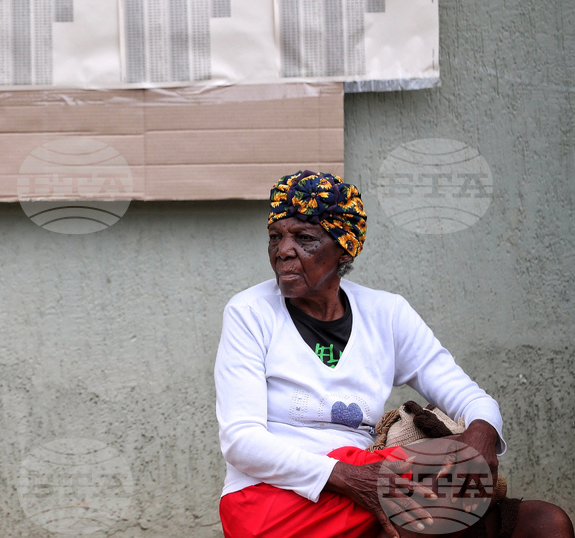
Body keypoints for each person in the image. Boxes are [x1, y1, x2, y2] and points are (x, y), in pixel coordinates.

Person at [215, 170, 573, 538]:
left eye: (304, 238)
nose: (283, 250)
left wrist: (482, 434)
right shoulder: (250, 312)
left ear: (344, 247)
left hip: (375, 489)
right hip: (276, 501)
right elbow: (242, 442)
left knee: (545, 523)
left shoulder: (386, 313)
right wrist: (350, 478)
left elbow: (467, 396)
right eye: (276, 237)